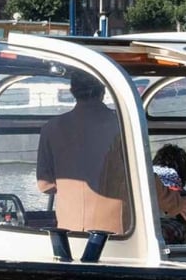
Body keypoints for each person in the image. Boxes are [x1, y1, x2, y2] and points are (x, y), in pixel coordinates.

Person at [36, 71, 129, 234]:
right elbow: (141, 178)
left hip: (69, 229)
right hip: (116, 231)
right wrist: (176, 203)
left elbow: (45, 185)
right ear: (103, 91)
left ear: (73, 91)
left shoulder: (51, 128)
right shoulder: (121, 126)